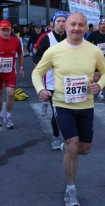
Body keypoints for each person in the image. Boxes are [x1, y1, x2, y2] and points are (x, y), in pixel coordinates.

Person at [31, 12, 105, 206]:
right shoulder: (54, 50)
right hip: (62, 104)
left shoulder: (94, 51)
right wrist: (41, 89)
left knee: (83, 149)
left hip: (86, 105)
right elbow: (37, 72)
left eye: (81, 25)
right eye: (72, 24)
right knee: (73, 145)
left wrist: (99, 86)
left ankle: (67, 148)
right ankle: (70, 190)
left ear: (86, 28)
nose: (76, 28)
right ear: (65, 26)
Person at [33, 11, 68, 150]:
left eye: (63, 21)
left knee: (68, 111)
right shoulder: (47, 39)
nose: (61, 24)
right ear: (54, 23)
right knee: (57, 112)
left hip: (68, 81)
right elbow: (36, 57)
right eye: (58, 21)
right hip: (52, 82)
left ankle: (67, 135)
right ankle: (55, 137)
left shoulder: (71, 38)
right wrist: (49, 63)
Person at [0, 20, 24, 129]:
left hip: (10, 73)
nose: (5, 32)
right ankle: (0, 115)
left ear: (11, 30)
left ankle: (9, 116)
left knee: (10, 94)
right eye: (3, 30)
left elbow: (20, 53)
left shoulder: (16, 41)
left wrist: (21, 68)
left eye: (7, 30)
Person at [87, 19, 105, 101]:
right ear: (99, 25)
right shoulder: (94, 34)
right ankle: (94, 88)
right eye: (102, 24)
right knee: (96, 78)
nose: (103, 25)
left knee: (104, 76)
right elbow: (87, 43)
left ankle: (101, 93)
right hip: (95, 58)